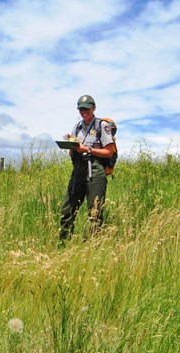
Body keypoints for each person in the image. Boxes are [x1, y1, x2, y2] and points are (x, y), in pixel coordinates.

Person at [58, 94, 116, 245]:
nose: (83, 112)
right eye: (81, 109)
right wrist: (72, 145)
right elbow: (72, 153)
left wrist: (87, 149)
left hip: (95, 169)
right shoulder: (77, 127)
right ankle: (63, 244)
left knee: (94, 213)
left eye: (86, 109)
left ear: (94, 108)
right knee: (67, 210)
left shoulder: (101, 125)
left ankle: (94, 249)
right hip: (78, 169)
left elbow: (108, 151)